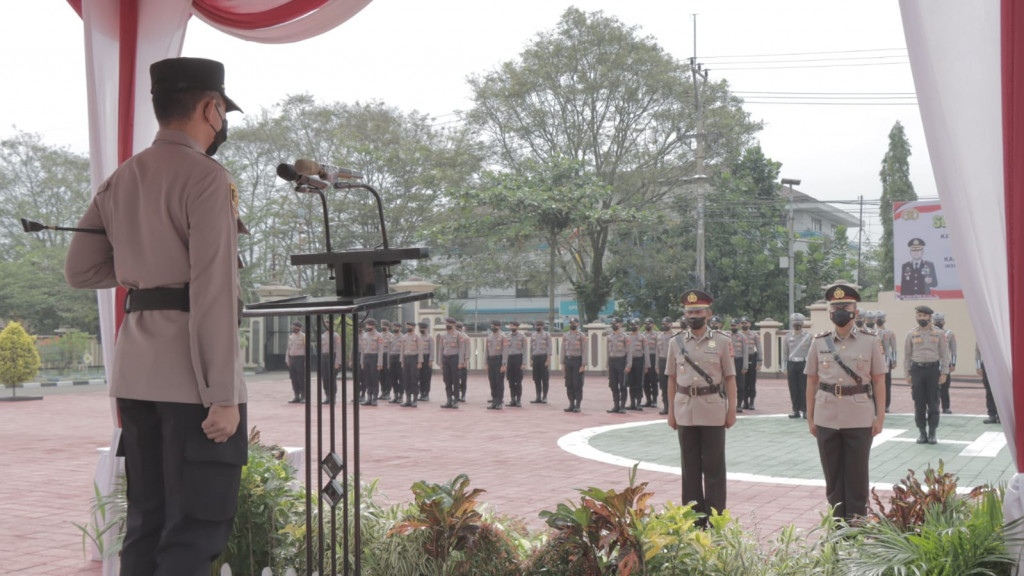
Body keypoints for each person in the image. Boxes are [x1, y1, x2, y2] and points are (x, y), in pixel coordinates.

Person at [65, 57, 247, 576]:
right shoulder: (207, 177)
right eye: (222, 111)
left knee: (147, 522)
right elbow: (213, 291)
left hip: (136, 374)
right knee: (195, 527)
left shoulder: (122, 177)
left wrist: (143, 266)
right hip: (193, 382)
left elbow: (80, 269)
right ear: (211, 108)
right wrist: (222, 396)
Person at [805, 284, 886, 522]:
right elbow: (812, 381)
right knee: (832, 477)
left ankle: (856, 528)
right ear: (830, 312)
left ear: (855, 311)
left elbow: (879, 381)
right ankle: (838, 527)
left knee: (857, 477)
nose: (840, 311)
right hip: (826, 415)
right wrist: (810, 417)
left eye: (845, 306)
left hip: (859, 416)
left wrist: (879, 418)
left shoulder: (870, 341)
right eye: (836, 307)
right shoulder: (819, 342)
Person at [666, 289, 737, 527]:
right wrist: (670, 411)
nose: (693, 316)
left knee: (714, 469)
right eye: (689, 312)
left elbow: (730, 378)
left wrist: (732, 410)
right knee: (690, 470)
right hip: (684, 410)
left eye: (698, 312)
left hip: (713, 410)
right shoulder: (675, 342)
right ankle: (694, 521)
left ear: (708, 313)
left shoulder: (722, 341)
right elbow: (671, 379)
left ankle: (716, 520)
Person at [904, 305, 951, 444]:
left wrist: (944, 373)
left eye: (924, 316)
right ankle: (922, 433)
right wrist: (907, 374)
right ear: (916, 317)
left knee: (934, 403)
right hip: (917, 371)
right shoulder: (911, 334)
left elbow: (944, 354)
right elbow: (907, 355)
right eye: (919, 316)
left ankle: (932, 433)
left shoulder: (938, 334)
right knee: (919, 404)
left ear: (930, 317)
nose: (922, 318)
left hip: (933, 371)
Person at [782, 313, 812, 419]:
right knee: (793, 388)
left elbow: (811, 353)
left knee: (804, 388)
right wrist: (784, 367)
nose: (796, 324)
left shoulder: (809, 336)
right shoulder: (787, 337)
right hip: (791, 364)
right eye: (795, 322)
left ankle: (805, 410)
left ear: (802, 324)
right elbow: (785, 353)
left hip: (804, 364)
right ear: (792, 324)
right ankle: (795, 410)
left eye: (799, 322)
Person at [440, 317, 467, 409]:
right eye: (446, 324)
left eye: (449, 324)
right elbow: (441, 349)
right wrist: (440, 361)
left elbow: (461, 349)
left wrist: (461, 362)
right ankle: (449, 400)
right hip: (445, 359)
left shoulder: (459, 335)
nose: (447, 325)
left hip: (454, 359)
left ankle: (455, 400)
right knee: (447, 380)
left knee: (455, 380)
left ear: (454, 325)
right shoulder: (443, 336)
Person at [933, 312, 957, 414]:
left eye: (940, 320)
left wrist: (953, 364)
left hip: (945, 364)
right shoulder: (931, 333)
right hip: (933, 363)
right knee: (933, 387)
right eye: (936, 321)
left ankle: (946, 407)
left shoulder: (949, 334)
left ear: (944, 322)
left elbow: (954, 350)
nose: (938, 322)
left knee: (945, 387)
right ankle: (934, 407)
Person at [562, 317, 586, 412]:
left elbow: (584, 351)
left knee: (577, 383)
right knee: (569, 383)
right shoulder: (566, 336)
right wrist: (563, 363)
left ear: (577, 324)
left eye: (574, 323)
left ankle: (578, 405)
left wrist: (583, 365)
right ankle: (571, 404)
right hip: (568, 361)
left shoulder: (581, 336)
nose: (572, 325)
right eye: (571, 323)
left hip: (577, 361)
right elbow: (563, 350)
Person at [606, 317, 629, 414]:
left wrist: (628, 365)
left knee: (622, 385)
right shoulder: (609, 337)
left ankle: (622, 406)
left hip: (621, 362)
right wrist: (607, 364)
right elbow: (607, 351)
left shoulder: (625, 337)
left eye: (615, 323)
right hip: (612, 362)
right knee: (613, 385)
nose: (613, 325)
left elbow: (629, 352)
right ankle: (616, 405)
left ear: (620, 324)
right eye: (612, 323)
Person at [360, 319, 386, 406]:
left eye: (369, 325)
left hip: (374, 358)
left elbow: (380, 351)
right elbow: (362, 350)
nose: (368, 327)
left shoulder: (378, 336)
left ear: (374, 326)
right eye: (367, 325)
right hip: (366, 358)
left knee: (374, 378)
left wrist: (379, 363)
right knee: (367, 379)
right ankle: (369, 398)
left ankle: (374, 398)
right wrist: (362, 362)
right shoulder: (364, 335)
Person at [875, 311, 897, 413]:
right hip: (875, 360)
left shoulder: (890, 333)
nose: (879, 320)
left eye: (881, 318)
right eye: (877, 318)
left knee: (887, 383)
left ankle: (886, 405)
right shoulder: (871, 332)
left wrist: (894, 360)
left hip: (886, 360)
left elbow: (893, 348)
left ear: (884, 319)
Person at [625, 319, 649, 411]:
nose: (633, 327)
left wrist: (647, 365)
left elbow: (646, 352)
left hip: (639, 361)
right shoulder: (627, 337)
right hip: (630, 362)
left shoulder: (642, 337)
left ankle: (639, 402)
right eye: (631, 325)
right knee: (631, 382)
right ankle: (632, 403)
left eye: (634, 325)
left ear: (638, 326)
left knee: (639, 382)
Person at [399, 321, 423, 407]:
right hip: (406, 359)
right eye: (407, 326)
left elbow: (420, 350)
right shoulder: (404, 337)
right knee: (406, 379)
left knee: (414, 379)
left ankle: (415, 399)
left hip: (414, 359)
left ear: (414, 327)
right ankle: (408, 399)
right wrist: (402, 361)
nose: (408, 327)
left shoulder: (417, 337)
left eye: (410, 326)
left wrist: (420, 362)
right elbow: (402, 350)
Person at [485, 320, 508, 409]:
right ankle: (494, 401)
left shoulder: (503, 337)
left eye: (495, 326)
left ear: (499, 326)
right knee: (492, 381)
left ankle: (499, 402)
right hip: (491, 360)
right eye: (492, 326)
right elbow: (486, 351)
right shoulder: (489, 337)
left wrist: (504, 364)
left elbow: (505, 351)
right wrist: (486, 363)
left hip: (499, 360)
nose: (493, 327)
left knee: (499, 382)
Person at [504, 320, 527, 407]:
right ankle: (512, 399)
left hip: (518, 358)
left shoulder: (522, 336)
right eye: (511, 326)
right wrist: (504, 362)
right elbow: (505, 350)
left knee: (518, 381)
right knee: (510, 380)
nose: (512, 327)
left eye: (513, 326)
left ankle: (518, 400)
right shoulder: (507, 336)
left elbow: (525, 350)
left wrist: (524, 363)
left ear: (517, 327)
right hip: (510, 359)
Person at [740, 317, 762, 410]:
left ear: (749, 324)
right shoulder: (738, 335)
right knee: (743, 382)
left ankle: (752, 402)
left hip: (752, 358)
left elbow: (759, 348)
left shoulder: (754, 335)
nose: (744, 325)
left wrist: (759, 361)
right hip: (741, 359)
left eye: (746, 323)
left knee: (752, 382)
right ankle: (745, 402)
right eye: (742, 323)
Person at [729, 318, 749, 413]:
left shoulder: (742, 337)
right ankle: (730, 405)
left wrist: (745, 366)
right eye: (732, 325)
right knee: (728, 385)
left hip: (739, 361)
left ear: (738, 326)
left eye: (735, 325)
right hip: (730, 362)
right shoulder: (726, 336)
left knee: (740, 385)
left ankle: (739, 405)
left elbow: (745, 352)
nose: (733, 327)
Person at [656, 316, 675, 415]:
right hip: (662, 361)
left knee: (673, 385)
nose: (664, 326)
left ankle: (673, 407)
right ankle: (666, 407)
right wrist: (656, 365)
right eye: (663, 324)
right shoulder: (659, 336)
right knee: (663, 386)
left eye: (666, 324)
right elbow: (657, 352)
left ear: (671, 324)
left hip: (672, 362)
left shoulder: (675, 336)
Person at [529, 320, 551, 404]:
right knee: (536, 378)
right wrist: (531, 359)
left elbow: (549, 347)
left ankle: (544, 397)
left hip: (543, 357)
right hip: (535, 357)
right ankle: (538, 397)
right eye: (536, 325)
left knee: (545, 379)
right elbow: (531, 348)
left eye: (539, 325)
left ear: (542, 326)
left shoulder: (546, 335)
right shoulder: (533, 335)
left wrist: (548, 359)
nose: (537, 327)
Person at [319, 321, 341, 404]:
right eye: (326, 324)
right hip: (324, 357)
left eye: (328, 323)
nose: (327, 325)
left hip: (332, 356)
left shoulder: (336, 335)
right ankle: (327, 396)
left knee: (332, 377)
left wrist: (337, 362)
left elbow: (338, 349)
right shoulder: (322, 335)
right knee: (325, 377)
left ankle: (333, 397)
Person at [976, 344, 999, 424]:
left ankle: (1001, 415)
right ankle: (992, 414)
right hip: (986, 362)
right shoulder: (982, 337)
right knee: (989, 389)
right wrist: (978, 366)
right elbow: (978, 351)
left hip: (999, 363)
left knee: (1001, 390)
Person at [286, 321, 306, 403]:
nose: (294, 328)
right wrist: (287, 359)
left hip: (300, 359)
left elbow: (306, 349)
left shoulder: (304, 336)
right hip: (292, 359)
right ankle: (296, 396)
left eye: (296, 327)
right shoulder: (291, 337)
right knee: (293, 378)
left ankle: (303, 396)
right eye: (293, 327)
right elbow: (288, 349)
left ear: (300, 328)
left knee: (301, 378)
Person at [643, 318, 660, 407]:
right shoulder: (642, 335)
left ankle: (654, 400)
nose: (647, 325)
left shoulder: (656, 335)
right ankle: (648, 400)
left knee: (653, 380)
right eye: (646, 324)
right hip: (644, 358)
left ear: (652, 325)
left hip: (653, 357)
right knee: (645, 381)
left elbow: (658, 349)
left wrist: (657, 363)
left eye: (649, 324)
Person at [387, 323, 404, 403]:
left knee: (401, 378)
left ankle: (401, 396)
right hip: (392, 358)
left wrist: (402, 361)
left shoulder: (403, 337)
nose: (395, 328)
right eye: (394, 327)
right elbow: (388, 350)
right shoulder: (391, 337)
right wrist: (388, 362)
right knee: (392, 378)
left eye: (397, 327)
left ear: (400, 328)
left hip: (399, 358)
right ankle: (395, 395)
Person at [417, 320, 433, 401]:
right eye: (420, 328)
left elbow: (432, 350)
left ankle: (426, 394)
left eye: (422, 328)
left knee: (426, 377)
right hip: (419, 358)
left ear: (426, 328)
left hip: (427, 358)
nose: (421, 330)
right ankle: (421, 393)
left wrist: (431, 360)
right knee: (420, 377)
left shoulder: (430, 338)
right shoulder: (418, 337)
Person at [378, 319, 393, 401]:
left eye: (384, 325)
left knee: (387, 375)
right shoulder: (379, 335)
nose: (382, 327)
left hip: (387, 355)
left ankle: (388, 392)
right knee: (381, 375)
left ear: (388, 327)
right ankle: (383, 391)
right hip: (380, 356)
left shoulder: (391, 335)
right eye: (382, 325)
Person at [456, 321, 470, 402]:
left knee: (463, 379)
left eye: (459, 328)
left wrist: (466, 361)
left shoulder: (466, 337)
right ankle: (457, 394)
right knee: (455, 379)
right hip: (455, 359)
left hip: (463, 360)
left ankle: (463, 395)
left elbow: (467, 351)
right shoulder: (454, 337)